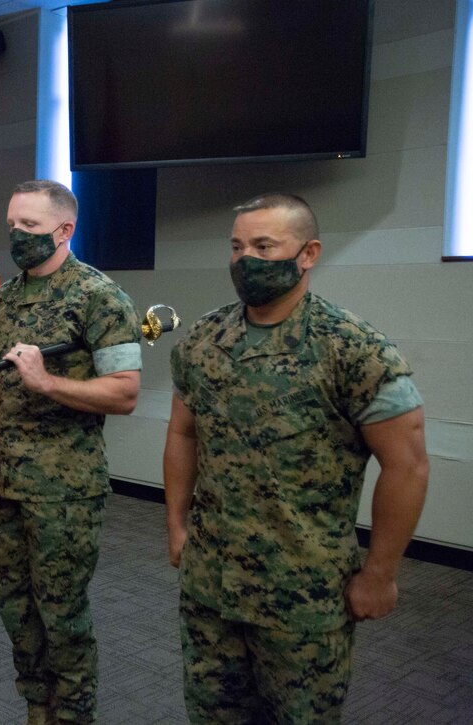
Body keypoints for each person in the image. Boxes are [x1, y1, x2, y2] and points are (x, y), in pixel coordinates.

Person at [164, 193, 429, 724]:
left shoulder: (353, 348)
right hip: (211, 585)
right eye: (238, 247)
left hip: (303, 596)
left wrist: (381, 574)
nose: (246, 260)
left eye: (265, 246)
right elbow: (183, 432)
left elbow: (408, 465)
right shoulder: (204, 338)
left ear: (308, 254)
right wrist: (175, 522)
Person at [0, 179, 142, 724]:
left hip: (65, 490)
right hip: (6, 483)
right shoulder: (5, 299)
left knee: (62, 614)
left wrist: (48, 384)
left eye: (30, 227)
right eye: (12, 226)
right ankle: (37, 707)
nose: (17, 236)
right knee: (16, 608)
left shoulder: (100, 297)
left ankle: (73, 715)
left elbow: (124, 392)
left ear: (64, 230)